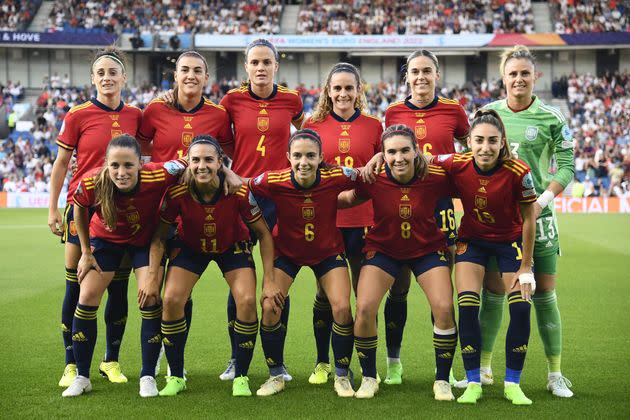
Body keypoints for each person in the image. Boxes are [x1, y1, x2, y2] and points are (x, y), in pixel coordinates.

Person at [464, 45, 575, 398]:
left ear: (535, 77)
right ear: (503, 77)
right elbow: (469, 159)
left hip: (537, 219)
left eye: (525, 73)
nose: (519, 79)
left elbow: (568, 166)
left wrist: (543, 201)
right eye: (513, 73)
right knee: (493, 295)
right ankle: (483, 368)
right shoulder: (487, 114)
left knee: (544, 294)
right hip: (494, 221)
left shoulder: (552, 118)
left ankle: (555, 374)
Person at [142, 136, 279, 397]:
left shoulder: (237, 190)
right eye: (195, 160)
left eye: (208, 160)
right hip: (192, 247)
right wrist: (151, 278)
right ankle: (176, 375)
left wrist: (270, 280)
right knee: (170, 298)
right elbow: (159, 237)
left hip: (231, 246)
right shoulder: (177, 191)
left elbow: (263, 234)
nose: (201, 165)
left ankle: (241, 377)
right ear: (188, 163)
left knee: (248, 300)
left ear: (220, 163)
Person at [368, 49, 469, 385]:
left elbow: (468, 152)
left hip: (440, 209)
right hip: (402, 205)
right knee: (398, 288)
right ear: (406, 76)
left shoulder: (454, 110)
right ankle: (394, 363)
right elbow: (385, 152)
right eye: (415, 71)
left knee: (439, 289)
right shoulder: (394, 111)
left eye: (428, 71)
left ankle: (446, 369)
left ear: (437, 75)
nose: (421, 77)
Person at [61, 135, 187, 397]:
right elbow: (79, 208)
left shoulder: (159, 174)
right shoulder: (92, 181)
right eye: (115, 165)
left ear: (141, 164)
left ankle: (148, 376)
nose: (121, 172)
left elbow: (188, 162)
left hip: (143, 244)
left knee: (150, 297)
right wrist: (85, 251)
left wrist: (228, 174)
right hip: (105, 242)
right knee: (86, 296)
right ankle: (82, 376)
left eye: (128, 165)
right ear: (106, 164)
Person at [340, 125, 457, 400]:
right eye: (391, 152)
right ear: (383, 154)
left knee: (443, 305)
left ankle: (442, 380)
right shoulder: (373, 177)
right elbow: (347, 198)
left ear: (417, 151)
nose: (399, 157)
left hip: (427, 249)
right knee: (365, 307)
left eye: (405, 150)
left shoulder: (436, 175)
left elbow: (472, 182)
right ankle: (369, 376)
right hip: (383, 250)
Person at [47, 47, 142, 388]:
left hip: (123, 213)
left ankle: (110, 360)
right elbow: (61, 163)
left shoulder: (136, 115)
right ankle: (71, 362)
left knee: (118, 289)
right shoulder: (77, 115)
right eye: (100, 73)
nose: (106, 78)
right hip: (84, 210)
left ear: (123, 78)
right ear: (93, 79)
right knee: (77, 284)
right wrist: (54, 207)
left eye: (112, 72)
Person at [137, 50, 233, 377]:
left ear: (206, 78)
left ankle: (174, 361)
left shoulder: (219, 115)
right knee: (150, 287)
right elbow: (139, 149)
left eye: (197, 71)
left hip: (195, 210)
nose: (190, 76)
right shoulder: (153, 110)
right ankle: (149, 361)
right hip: (157, 209)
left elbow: (230, 153)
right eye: (184, 70)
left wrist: (231, 177)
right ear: (174, 75)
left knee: (180, 291)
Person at [432, 110, 537, 405]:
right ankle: (474, 382)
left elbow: (529, 219)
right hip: (472, 242)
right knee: (466, 308)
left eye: (492, 141)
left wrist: (527, 266)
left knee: (520, 309)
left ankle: (513, 384)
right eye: (479, 140)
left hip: (511, 243)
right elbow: (425, 161)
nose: (485, 147)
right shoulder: (458, 162)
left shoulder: (519, 171)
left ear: (502, 142)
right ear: (469, 142)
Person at [217, 38, 304, 381]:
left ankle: (277, 363)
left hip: (279, 199)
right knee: (239, 280)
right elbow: (222, 142)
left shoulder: (291, 99)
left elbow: (307, 132)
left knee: (278, 281)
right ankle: (235, 359)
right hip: (241, 197)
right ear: (246, 66)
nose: (261, 67)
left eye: (267, 62)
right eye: (255, 62)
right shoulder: (232, 101)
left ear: (276, 66)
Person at [249, 129, 356, 398]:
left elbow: (366, 179)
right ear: (288, 157)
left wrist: (346, 199)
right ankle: (275, 376)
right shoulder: (275, 180)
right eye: (297, 156)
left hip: (328, 252)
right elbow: (244, 185)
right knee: (270, 306)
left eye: (310, 155)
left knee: (342, 308)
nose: (303, 162)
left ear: (321, 157)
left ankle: (342, 376)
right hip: (287, 254)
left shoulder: (336, 176)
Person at [302, 62, 382, 384]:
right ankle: (324, 363)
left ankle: (366, 367)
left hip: (365, 221)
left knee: (363, 300)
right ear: (328, 91)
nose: (343, 93)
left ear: (358, 91)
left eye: (350, 87)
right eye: (337, 88)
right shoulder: (314, 124)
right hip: (329, 221)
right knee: (327, 297)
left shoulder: (375, 126)